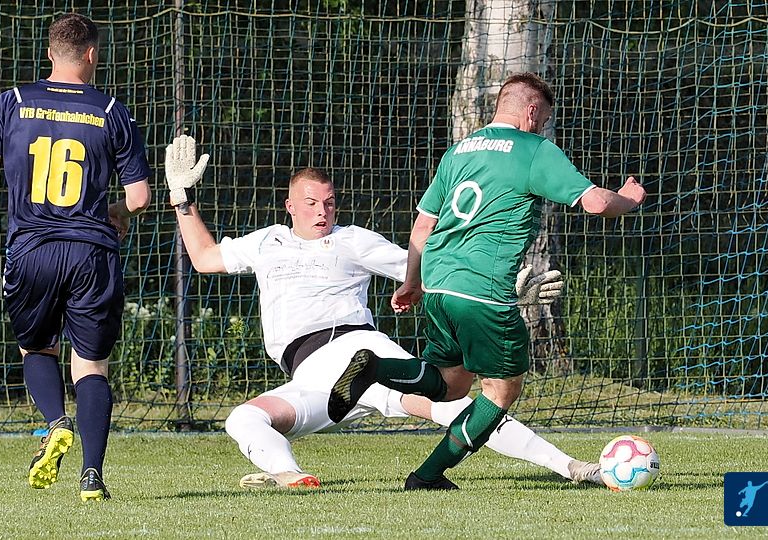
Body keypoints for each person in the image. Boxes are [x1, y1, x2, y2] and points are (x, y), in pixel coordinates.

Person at [163, 136, 602, 489]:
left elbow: (429, 269)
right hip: (311, 377)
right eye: (311, 203)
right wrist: (182, 199)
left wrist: (506, 289)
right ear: (290, 206)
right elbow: (203, 258)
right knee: (243, 418)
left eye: (329, 202)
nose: (322, 211)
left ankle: (572, 467)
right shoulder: (266, 242)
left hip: (357, 348)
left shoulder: (352, 239)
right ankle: (291, 476)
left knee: (456, 406)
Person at [328, 72, 647, 490]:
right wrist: (629, 199)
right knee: (501, 391)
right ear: (531, 111)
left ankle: (375, 368)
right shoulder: (533, 150)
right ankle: (427, 476)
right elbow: (596, 203)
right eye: (543, 120)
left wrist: (412, 282)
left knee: (450, 385)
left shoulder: (458, 152)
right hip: (483, 290)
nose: (541, 128)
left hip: (439, 284)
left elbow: (422, 226)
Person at [0, 13, 152, 501]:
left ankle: (55, 421)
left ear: (50, 53)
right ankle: (92, 476)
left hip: (31, 249)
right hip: (91, 252)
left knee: (37, 350)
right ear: (92, 54)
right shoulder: (111, 110)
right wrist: (112, 210)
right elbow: (140, 197)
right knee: (91, 366)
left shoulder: (13, 102)